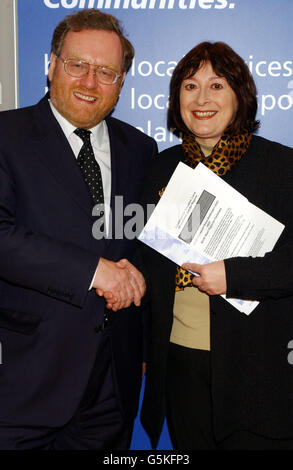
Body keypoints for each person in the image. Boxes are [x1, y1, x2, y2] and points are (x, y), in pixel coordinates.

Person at [0, 9, 157, 450]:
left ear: (121, 82)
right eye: (77, 65)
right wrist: (94, 271)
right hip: (25, 385)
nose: (90, 82)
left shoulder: (140, 149)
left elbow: (140, 246)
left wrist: (142, 345)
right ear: (52, 64)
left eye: (106, 71)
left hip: (112, 387)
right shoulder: (6, 136)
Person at [138, 42, 293, 450]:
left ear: (240, 95)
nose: (202, 98)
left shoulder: (282, 168)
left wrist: (235, 275)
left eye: (217, 85)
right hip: (179, 364)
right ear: (176, 99)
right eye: (190, 86)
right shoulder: (159, 168)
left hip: (257, 370)